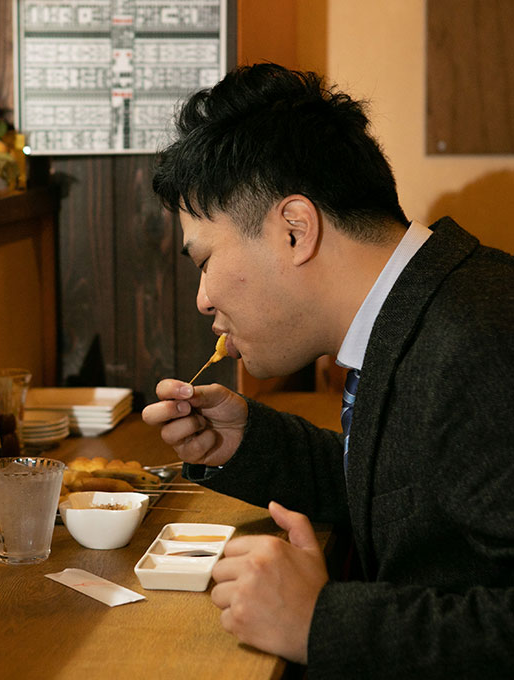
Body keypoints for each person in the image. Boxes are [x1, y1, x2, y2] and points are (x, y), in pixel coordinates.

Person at [141, 62, 514, 678]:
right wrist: (247, 445)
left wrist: (323, 622)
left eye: (204, 260)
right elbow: (408, 494)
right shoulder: (420, 314)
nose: (203, 297)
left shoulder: (476, 344)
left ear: (294, 229)